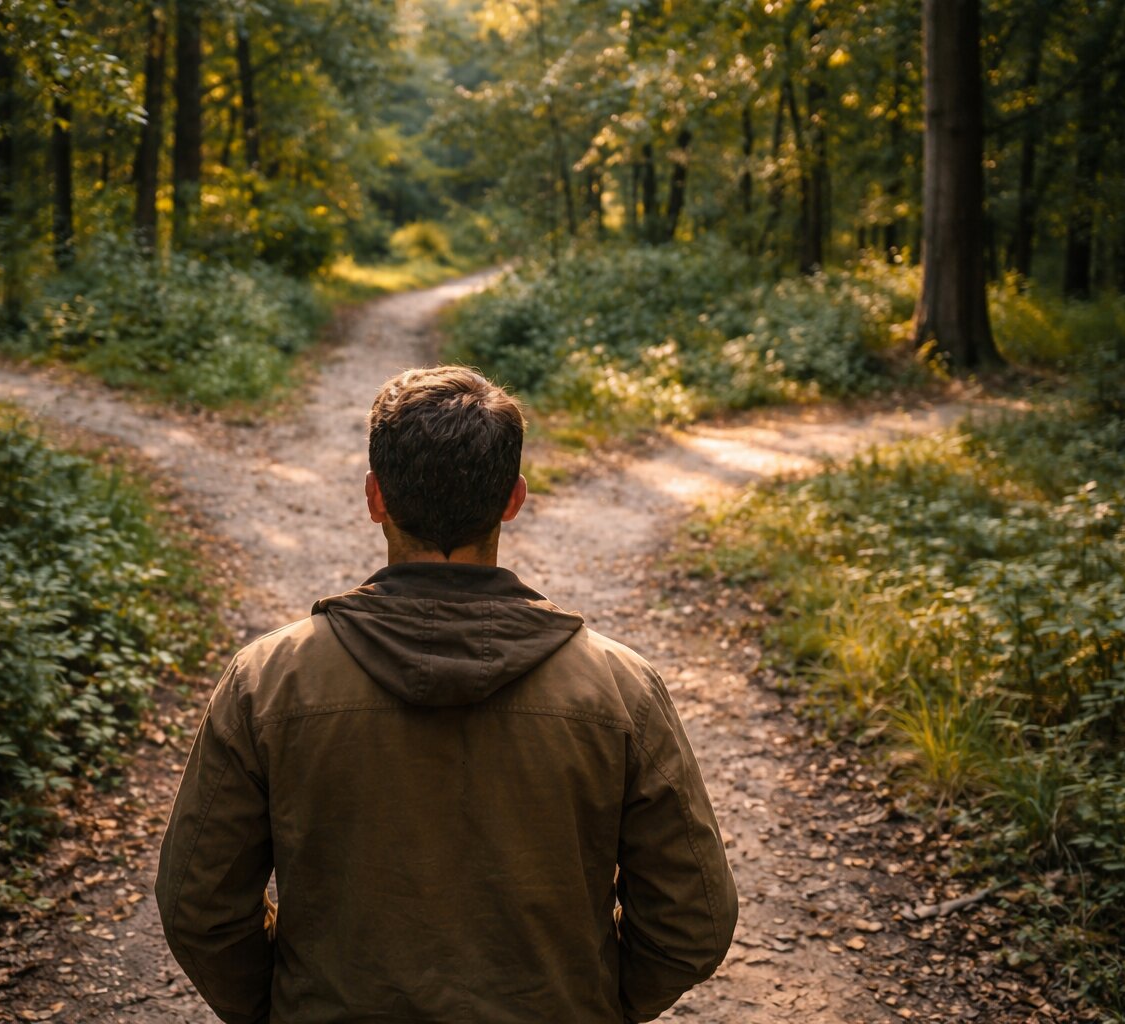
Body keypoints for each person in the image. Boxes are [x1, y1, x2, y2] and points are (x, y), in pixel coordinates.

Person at [155, 366, 738, 1023]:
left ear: (375, 497)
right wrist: (601, 1003)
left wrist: (278, 1007)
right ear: (513, 499)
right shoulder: (620, 688)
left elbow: (197, 905)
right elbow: (694, 919)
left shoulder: (267, 680)